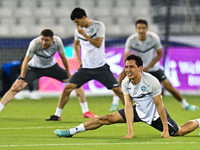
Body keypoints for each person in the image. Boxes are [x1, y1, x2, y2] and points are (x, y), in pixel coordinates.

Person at [54, 54, 200, 138]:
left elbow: (159, 105)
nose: (128, 70)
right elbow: (128, 106)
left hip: (155, 114)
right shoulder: (125, 82)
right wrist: (130, 132)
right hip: (138, 111)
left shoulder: (151, 81)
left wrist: (166, 131)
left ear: (140, 68)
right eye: (126, 67)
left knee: (180, 132)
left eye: (132, 67)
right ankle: (71, 131)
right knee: (106, 118)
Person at [46, 7, 125, 121]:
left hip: (101, 67)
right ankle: (57, 115)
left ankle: (131, 112)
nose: (77, 25)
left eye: (77, 21)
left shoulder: (98, 26)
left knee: (118, 90)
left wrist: (84, 34)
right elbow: (76, 44)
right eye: (75, 23)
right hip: (85, 69)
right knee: (67, 88)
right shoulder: (78, 29)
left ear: (84, 18)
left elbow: (98, 43)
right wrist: (79, 60)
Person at [0, 28, 97, 120]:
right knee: (15, 88)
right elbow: (26, 61)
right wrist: (22, 78)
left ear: (52, 40)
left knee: (76, 82)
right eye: (42, 39)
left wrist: (68, 73)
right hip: (34, 68)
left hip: (52, 67)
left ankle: (86, 112)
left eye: (46, 40)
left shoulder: (57, 42)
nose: (43, 42)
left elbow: (63, 58)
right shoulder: (34, 43)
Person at [109, 19, 198, 112]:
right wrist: (131, 68)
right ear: (136, 29)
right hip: (137, 68)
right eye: (139, 28)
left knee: (168, 86)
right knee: (120, 79)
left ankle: (186, 105)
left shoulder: (153, 38)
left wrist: (148, 67)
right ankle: (114, 104)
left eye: (143, 28)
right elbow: (126, 57)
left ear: (147, 28)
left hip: (153, 67)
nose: (141, 30)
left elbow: (159, 54)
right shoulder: (131, 40)